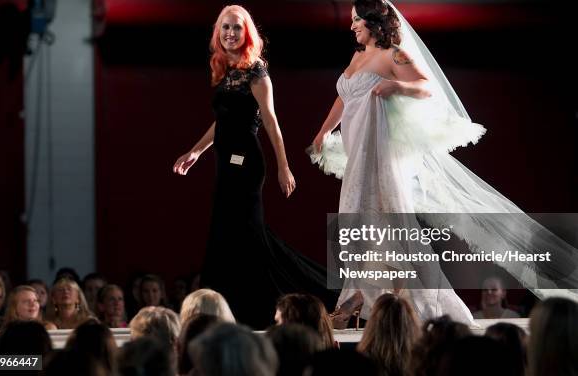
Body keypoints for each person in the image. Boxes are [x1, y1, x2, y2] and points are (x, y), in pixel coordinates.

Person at [310, 0, 578, 325]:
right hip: (358, 157)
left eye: (356, 20)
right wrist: (324, 131)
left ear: (374, 22)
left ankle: (400, 305)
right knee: (356, 226)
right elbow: (343, 96)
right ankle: (362, 298)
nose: (351, 26)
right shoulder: (357, 56)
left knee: (391, 229)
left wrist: (397, 85)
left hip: (381, 156)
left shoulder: (394, 54)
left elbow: (425, 86)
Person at [173, 4, 334, 329]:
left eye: (236, 28)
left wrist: (283, 167)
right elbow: (222, 121)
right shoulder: (223, 67)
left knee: (248, 234)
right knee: (225, 234)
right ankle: (228, 310)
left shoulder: (256, 71)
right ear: (218, 33)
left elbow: (271, 122)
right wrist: (196, 152)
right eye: (225, 28)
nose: (230, 33)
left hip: (248, 163)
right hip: (223, 162)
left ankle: (283, 303)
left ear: (247, 34)